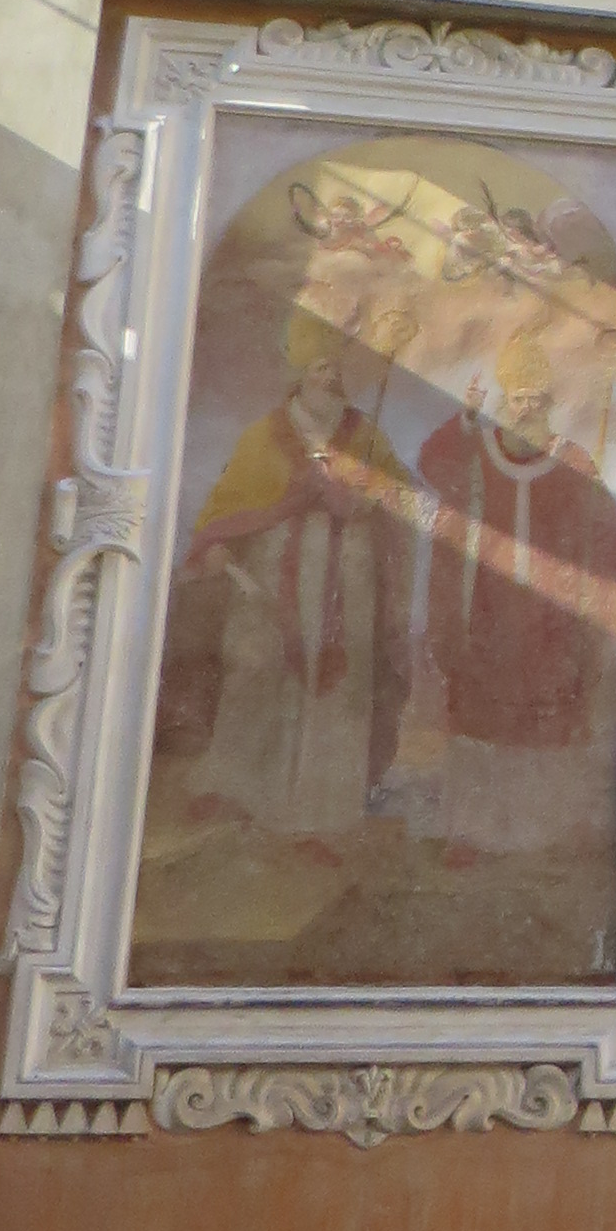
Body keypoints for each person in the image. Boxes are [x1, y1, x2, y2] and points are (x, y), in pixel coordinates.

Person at [155, 311, 423, 850]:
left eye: (335, 370)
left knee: (338, 690)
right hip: (272, 582)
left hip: (349, 584)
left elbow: (403, 502)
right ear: (300, 374)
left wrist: (364, 496)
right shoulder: (266, 437)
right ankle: (238, 788)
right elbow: (228, 507)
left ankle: (323, 811)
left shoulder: (366, 436)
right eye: (320, 368)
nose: (330, 379)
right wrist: (222, 540)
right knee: (257, 675)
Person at [410, 331, 616, 871]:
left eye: (535, 398)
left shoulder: (571, 458)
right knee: (483, 720)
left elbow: (603, 532)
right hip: (484, 610)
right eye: (518, 397)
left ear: (548, 401)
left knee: (544, 720)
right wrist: (465, 418)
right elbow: (434, 468)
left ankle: (541, 832)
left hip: (551, 617)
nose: (526, 407)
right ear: (505, 397)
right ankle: (475, 832)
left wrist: (596, 522)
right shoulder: (477, 452)